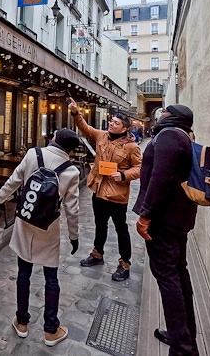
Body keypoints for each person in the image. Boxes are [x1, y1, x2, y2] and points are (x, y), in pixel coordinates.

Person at [0, 128, 81, 347]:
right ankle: (51, 329)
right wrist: (74, 236)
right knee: (51, 278)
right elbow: (72, 209)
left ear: (54, 139)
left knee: (23, 273)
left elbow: (15, 180)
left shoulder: (33, 154)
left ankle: (22, 321)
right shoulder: (71, 171)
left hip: (25, 220)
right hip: (48, 226)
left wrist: (0, 198)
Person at [133, 105, 200, 356]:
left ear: (172, 117)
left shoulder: (169, 135)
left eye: (164, 111)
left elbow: (160, 177)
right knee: (178, 275)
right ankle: (183, 335)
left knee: (168, 278)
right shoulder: (181, 135)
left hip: (164, 220)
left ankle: (182, 348)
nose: (159, 114)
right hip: (176, 218)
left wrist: (146, 214)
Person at [68, 98, 142, 281]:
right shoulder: (102, 136)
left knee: (121, 229)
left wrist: (124, 175)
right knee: (100, 225)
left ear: (124, 128)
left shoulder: (132, 147)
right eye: (111, 121)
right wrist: (76, 112)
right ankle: (97, 254)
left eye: (116, 123)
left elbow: (140, 168)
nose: (111, 124)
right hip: (99, 190)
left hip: (117, 195)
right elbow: (85, 128)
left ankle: (125, 263)